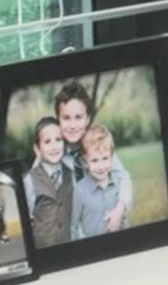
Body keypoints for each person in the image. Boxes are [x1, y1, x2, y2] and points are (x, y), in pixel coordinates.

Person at [54, 81, 133, 221]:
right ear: (58, 120)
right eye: (66, 118)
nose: (72, 125)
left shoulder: (97, 144)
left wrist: (120, 208)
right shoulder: (52, 151)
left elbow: (123, 177)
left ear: (87, 119)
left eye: (78, 117)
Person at [70, 125, 131, 240]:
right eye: (94, 160)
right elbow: (74, 226)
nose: (101, 166)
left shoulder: (119, 182)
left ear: (112, 157)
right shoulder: (79, 190)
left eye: (105, 158)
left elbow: (124, 221)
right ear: (85, 161)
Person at [22, 117, 72, 248]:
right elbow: (27, 215)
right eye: (47, 142)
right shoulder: (31, 179)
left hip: (69, 243)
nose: (54, 147)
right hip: (44, 246)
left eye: (58, 140)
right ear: (37, 149)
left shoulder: (70, 172)